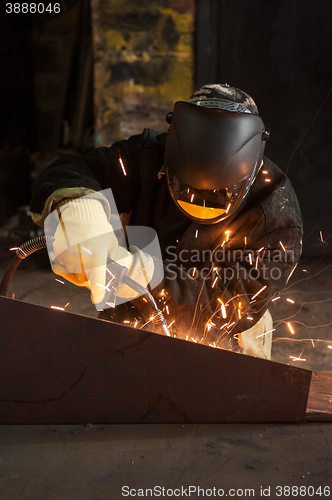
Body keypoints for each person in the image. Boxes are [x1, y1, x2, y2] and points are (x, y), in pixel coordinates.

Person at [30, 84, 303, 359]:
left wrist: (137, 275)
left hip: (230, 341)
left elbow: (235, 305)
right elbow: (70, 169)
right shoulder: (145, 158)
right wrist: (80, 209)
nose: (202, 202)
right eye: (185, 189)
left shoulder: (276, 212)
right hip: (128, 321)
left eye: (219, 196)